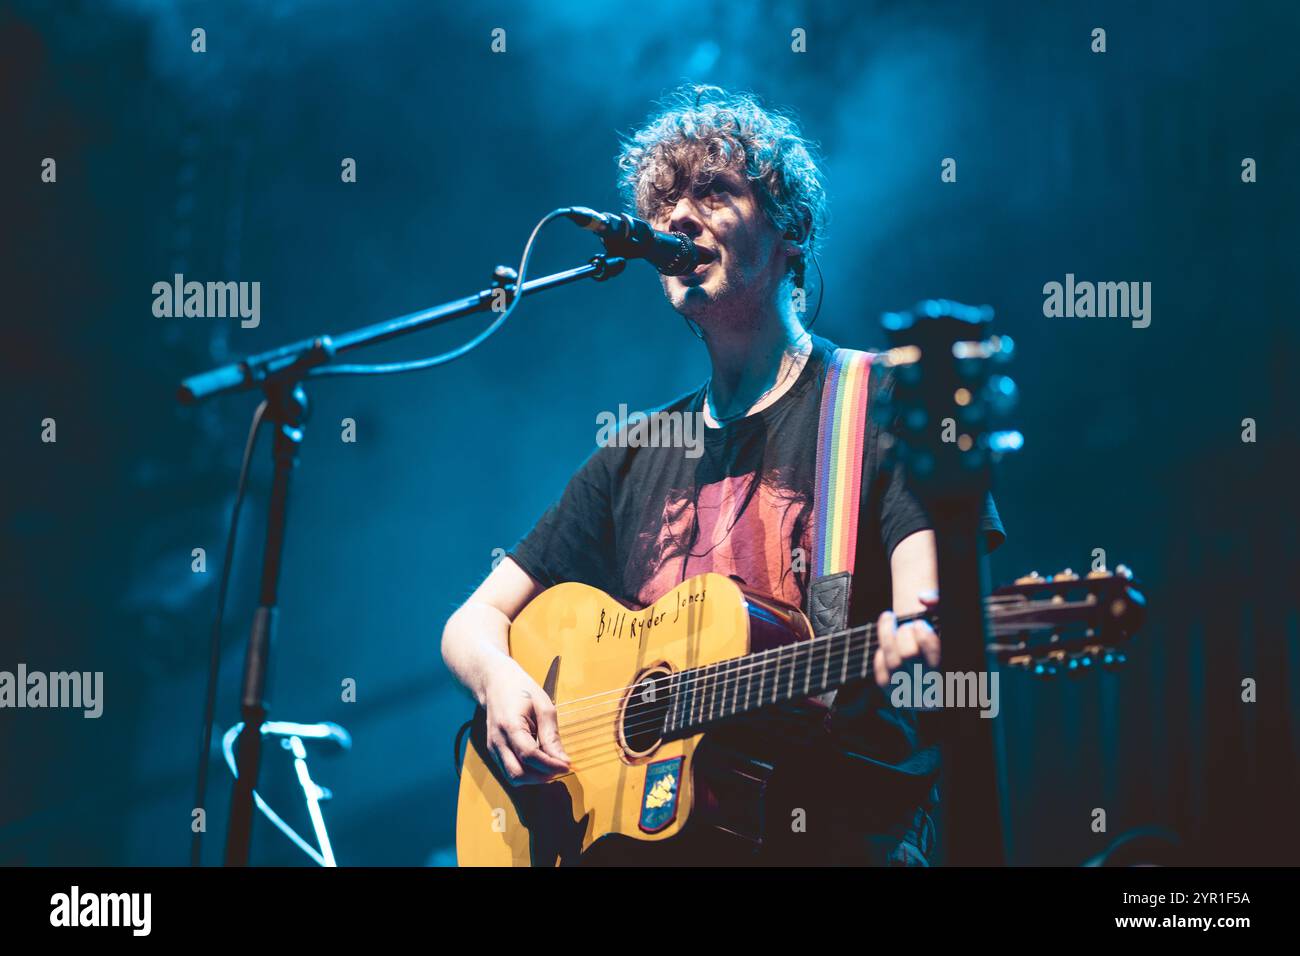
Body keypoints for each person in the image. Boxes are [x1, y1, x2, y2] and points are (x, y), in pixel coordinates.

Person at [441, 84, 1004, 865]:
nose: (677, 217)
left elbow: (930, 613)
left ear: (790, 235)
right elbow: (470, 623)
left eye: (714, 192)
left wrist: (917, 640)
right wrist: (501, 684)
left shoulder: (880, 407)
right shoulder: (634, 453)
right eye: (666, 200)